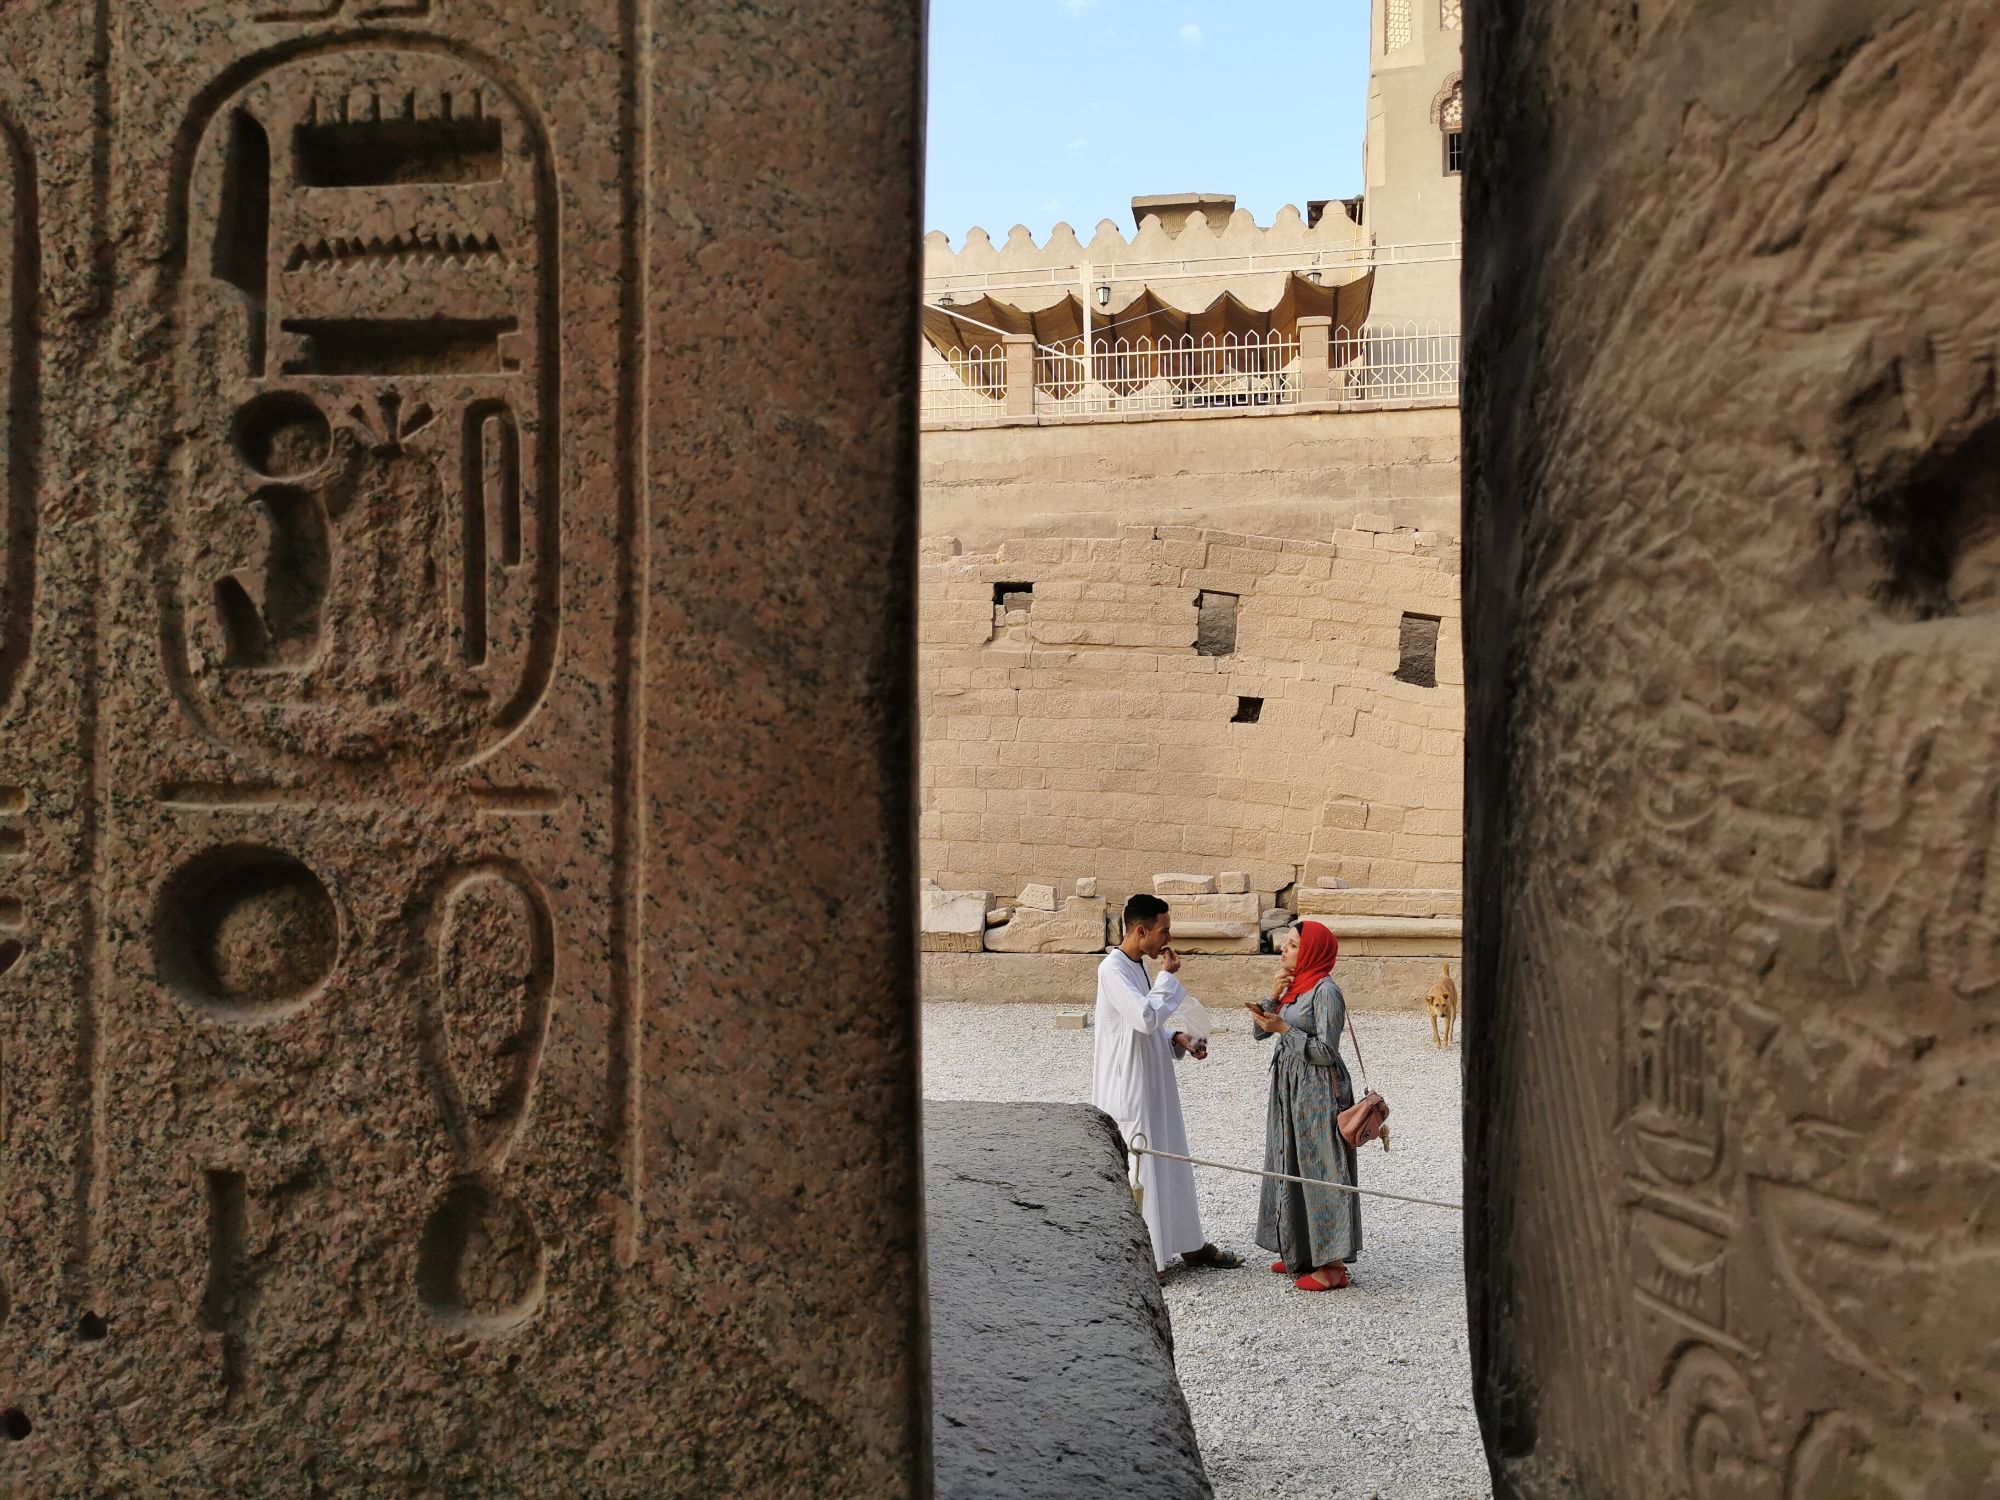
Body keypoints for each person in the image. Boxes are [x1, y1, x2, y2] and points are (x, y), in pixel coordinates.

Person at [1093, 893, 1242, 1274]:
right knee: (1142, 1164)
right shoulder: (1112, 970)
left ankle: (1188, 1242)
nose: (1168, 938)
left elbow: (1150, 1023)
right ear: (1140, 930)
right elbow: (1143, 1018)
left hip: (1154, 1077)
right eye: (1163, 930)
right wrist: (1168, 979)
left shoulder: (1138, 965)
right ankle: (1149, 1258)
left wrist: (1178, 1037)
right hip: (1130, 1083)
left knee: (1171, 1155)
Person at [1247, 920, 1361, 1291]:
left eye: (1292, 945)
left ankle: (1333, 1266)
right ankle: (1302, 1250)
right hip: (1289, 1089)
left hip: (1318, 1092)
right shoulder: (1296, 986)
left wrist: (1284, 1030)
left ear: (1311, 951)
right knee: (1289, 1159)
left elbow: (1327, 1052)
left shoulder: (1327, 992)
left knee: (1321, 1167)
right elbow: (1259, 1032)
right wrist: (1271, 997)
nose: (1283, 949)